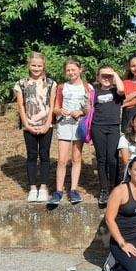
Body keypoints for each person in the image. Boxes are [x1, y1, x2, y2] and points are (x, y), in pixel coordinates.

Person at [14, 52, 56, 203]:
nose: (36, 68)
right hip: (29, 126)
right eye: (33, 65)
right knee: (32, 155)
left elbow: (51, 106)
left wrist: (47, 124)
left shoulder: (51, 83)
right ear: (29, 66)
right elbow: (21, 106)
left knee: (45, 155)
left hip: (46, 126)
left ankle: (43, 188)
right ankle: (32, 188)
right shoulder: (21, 84)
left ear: (44, 66)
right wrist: (27, 125)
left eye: (39, 65)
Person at [50, 59, 92, 205]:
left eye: (73, 69)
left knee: (76, 158)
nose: (71, 72)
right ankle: (58, 191)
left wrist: (80, 112)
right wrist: (60, 111)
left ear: (80, 70)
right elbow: (55, 108)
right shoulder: (62, 87)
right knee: (62, 160)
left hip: (79, 125)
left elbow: (90, 109)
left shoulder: (87, 87)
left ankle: (73, 190)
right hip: (64, 125)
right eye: (68, 70)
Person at [91, 66, 125, 206]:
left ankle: (115, 186)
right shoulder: (94, 92)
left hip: (113, 127)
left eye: (109, 75)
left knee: (113, 158)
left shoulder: (116, 92)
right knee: (102, 159)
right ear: (98, 77)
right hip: (97, 127)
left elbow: (122, 89)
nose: (106, 78)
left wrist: (114, 73)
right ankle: (104, 189)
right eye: (103, 75)